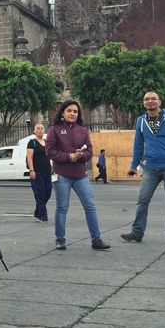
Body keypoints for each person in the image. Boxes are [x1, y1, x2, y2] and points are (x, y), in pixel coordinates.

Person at [121, 91, 165, 246]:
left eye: (153, 99)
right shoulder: (141, 121)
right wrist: (133, 165)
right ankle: (137, 233)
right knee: (142, 201)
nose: (150, 101)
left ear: (159, 102)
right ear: (143, 103)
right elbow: (138, 146)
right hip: (150, 168)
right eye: (147, 99)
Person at [46, 100, 111, 252]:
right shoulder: (54, 130)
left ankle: (96, 239)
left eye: (75, 111)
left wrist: (81, 156)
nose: (72, 114)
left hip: (80, 174)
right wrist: (69, 156)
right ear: (62, 112)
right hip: (62, 174)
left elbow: (89, 150)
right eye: (69, 111)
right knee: (62, 207)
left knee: (90, 206)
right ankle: (60, 239)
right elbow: (50, 151)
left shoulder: (82, 130)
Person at [26, 123, 52, 221]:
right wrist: (31, 170)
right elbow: (29, 157)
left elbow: (49, 156)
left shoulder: (46, 142)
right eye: (38, 128)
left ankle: (37, 212)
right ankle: (43, 216)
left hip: (47, 171)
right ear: (34, 131)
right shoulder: (32, 142)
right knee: (40, 193)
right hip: (37, 172)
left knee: (48, 193)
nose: (40, 130)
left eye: (42, 128)